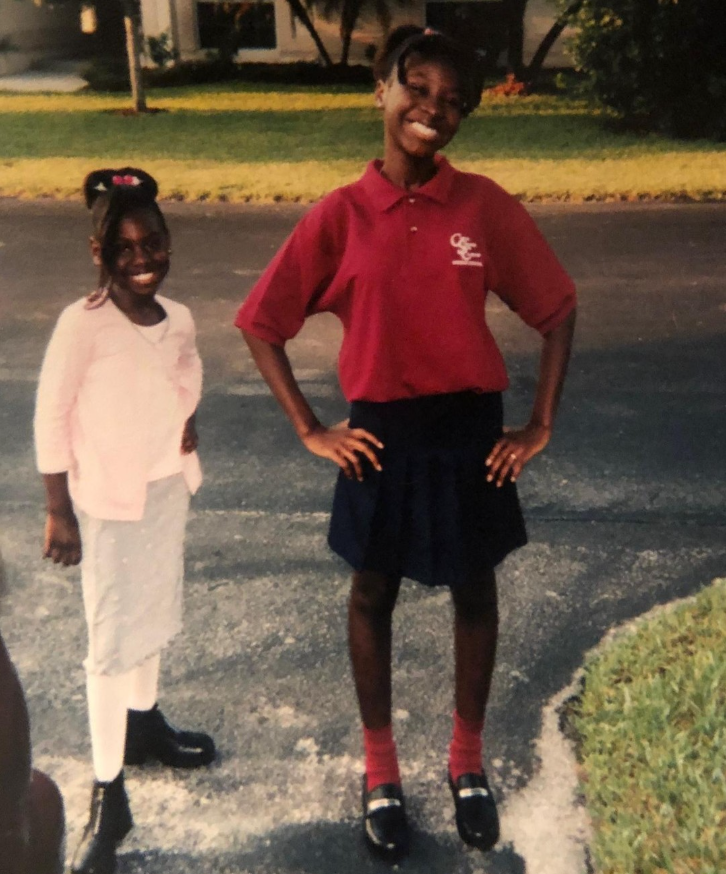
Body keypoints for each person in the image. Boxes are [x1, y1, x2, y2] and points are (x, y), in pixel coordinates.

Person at [235, 25, 577, 862]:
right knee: (371, 594)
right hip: (381, 433)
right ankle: (380, 770)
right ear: (382, 92)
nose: (434, 109)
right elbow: (261, 321)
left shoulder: (484, 205)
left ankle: (467, 763)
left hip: (468, 430)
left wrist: (538, 425)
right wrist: (313, 428)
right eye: (417, 89)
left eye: (452, 100)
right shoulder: (342, 216)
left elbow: (557, 309)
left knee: (474, 589)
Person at [34, 168, 216, 874]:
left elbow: (183, 374)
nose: (142, 259)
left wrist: (186, 421)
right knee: (111, 642)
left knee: (152, 614)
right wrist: (58, 511)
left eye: (154, 243)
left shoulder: (180, 317)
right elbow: (51, 415)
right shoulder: (81, 325)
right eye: (125, 248)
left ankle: (144, 726)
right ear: (99, 253)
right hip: (106, 507)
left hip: (165, 489)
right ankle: (108, 791)